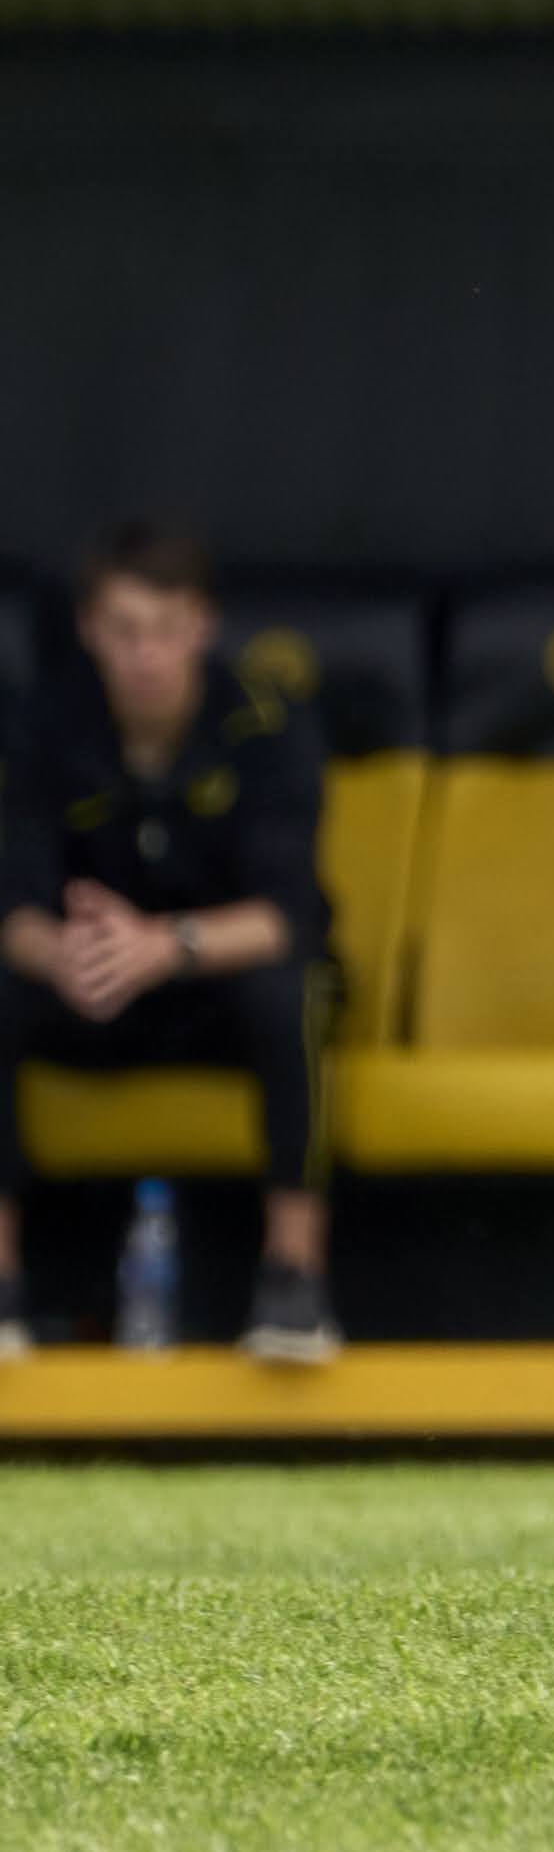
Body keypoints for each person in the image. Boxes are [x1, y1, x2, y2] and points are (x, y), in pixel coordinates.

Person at [0, 524, 340, 1363]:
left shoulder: (266, 723)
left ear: (203, 626)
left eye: (166, 629)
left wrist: (164, 944)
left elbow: (290, 913)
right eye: (125, 630)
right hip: (91, 992)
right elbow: (14, 908)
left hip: (210, 989)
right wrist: (65, 954)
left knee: (293, 991)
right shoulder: (46, 724)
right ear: (89, 629)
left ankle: (293, 1278)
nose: (145, 654)